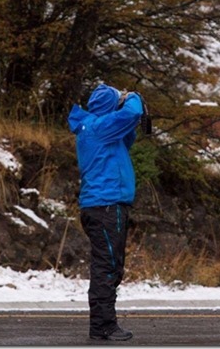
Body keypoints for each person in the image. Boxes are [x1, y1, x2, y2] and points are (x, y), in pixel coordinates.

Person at [67, 83, 144, 341]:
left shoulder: (96, 130)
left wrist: (122, 106)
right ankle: (103, 326)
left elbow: (128, 132)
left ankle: (103, 324)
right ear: (109, 108)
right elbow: (132, 113)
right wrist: (131, 97)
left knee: (110, 266)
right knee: (106, 267)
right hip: (106, 206)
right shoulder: (98, 128)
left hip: (104, 205)